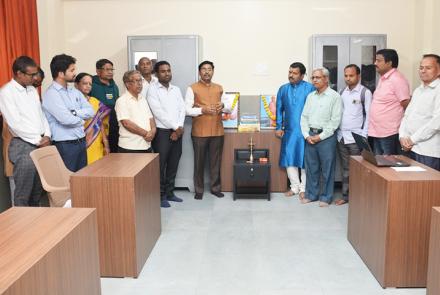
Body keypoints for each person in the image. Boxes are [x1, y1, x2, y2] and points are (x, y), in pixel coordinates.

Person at [0, 56, 51, 206]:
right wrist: (38, 140)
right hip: (23, 146)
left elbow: (41, 115)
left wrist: (47, 135)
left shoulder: (31, 90)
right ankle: (22, 227)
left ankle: (36, 226)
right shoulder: (6, 92)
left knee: (37, 193)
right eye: (31, 74)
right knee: (23, 195)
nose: (35, 78)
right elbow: (15, 124)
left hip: (41, 143)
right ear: (19, 73)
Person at [185, 60, 230, 200]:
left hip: (217, 131)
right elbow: (186, 110)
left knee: (216, 162)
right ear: (199, 72)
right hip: (199, 132)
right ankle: (199, 190)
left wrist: (222, 105)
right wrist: (202, 109)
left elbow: (229, 107)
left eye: (209, 69)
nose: (206, 72)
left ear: (213, 71)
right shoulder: (192, 88)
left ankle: (215, 188)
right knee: (199, 162)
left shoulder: (219, 88)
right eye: (203, 69)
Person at [42, 54, 94, 172]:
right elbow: (65, 119)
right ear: (61, 73)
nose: (74, 73)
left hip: (81, 142)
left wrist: (74, 112)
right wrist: (81, 120)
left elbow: (90, 111)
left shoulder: (74, 91)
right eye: (71, 70)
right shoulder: (52, 94)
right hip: (65, 145)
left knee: (80, 180)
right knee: (67, 183)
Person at [300, 67, 342, 207]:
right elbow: (304, 117)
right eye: (313, 77)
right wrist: (307, 135)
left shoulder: (334, 97)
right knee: (311, 168)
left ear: (326, 79)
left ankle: (325, 197)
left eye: (317, 77)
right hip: (310, 135)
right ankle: (311, 195)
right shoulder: (311, 96)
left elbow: (335, 121)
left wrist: (321, 137)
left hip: (326, 137)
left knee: (327, 169)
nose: (314, 80)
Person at [147, 61, 185, 208]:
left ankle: (170, 193)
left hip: (177, 131)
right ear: (156, 73)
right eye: (163, 71)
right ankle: (161, 195)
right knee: (160, 165)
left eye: (168, 70)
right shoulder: (152, 90)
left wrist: (179, 128)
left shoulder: (176, 89)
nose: (167, 73)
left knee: (173, 164)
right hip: (162, 132)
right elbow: (158, 113)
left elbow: (182, 109)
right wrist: (176, 127)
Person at [275, 62, 315, 199]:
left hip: (306, 131)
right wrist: (279, 127)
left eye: (294, 73)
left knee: (304, 160)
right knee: (289, 159)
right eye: (290, 72)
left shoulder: (310, 88)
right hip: (290, 131)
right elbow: (279, 109)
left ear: (302, 75)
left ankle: (304, 188)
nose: (291, 75)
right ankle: (294, 187)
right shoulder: (283, 89)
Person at [336, 64, 372, 205]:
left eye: (351, 75)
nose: (348, 78)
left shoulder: (365, 93)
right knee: (345, 168)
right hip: (341, 137)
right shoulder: (342, 92)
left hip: (357, 138)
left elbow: (369, 115)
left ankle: (358, 197)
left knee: (357, 169)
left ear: (358, 76)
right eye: (346, 75)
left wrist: (364, 135)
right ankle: (346, 196)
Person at [399, 54, 440, 171]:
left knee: (426, 188)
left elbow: (436, 123)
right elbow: (406, 116)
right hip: (410, 148)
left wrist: (412, 140)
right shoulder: (418, 90)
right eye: (421, 67)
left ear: (438, 70)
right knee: (412, 186)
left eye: (428, 68)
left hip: (428, 152)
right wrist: (402, 136)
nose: (423, 71)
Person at [368, 49, 410, 155]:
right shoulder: (383, 78)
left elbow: (406, 103)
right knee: (379, 167)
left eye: (378, 61)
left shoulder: (397, 79)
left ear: (389, 63)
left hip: (389, 132)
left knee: (388, 166)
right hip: (378, 131)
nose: (375, 63)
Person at [115, 70, 156, 153]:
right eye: (136, 81)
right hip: (130, 147)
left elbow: (150, 118)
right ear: (127, 84)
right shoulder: (122, 100)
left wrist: (153, 131)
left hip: (146, 145)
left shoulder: (143, 99)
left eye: (140, 80)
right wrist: (146, 134)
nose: (140, 84)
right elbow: (126, 123)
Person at [74, 73, 111, 164]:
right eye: (84, 83)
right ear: (76, 84)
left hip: (96, 144)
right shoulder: (72, 102)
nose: (88, 86)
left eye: (90, 84)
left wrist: (106, 144)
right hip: (78, 144)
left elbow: (100, 123)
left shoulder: (95, 101)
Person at [90, 59, 120, 153]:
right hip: (98, 123)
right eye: (107, 69)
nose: (110, 72)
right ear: (98, 71)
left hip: (113, 123)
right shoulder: (91, 84)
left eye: (111, 69)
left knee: (113, 149)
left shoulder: (114, 85)